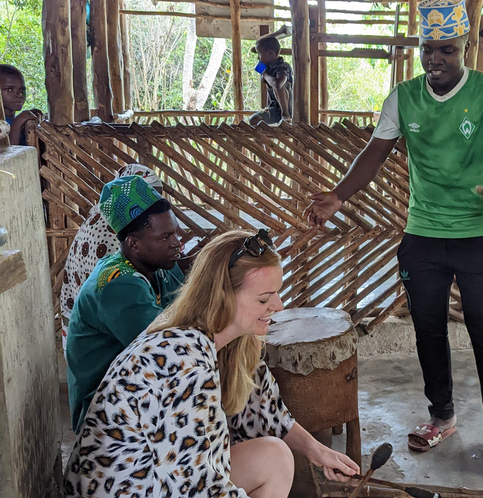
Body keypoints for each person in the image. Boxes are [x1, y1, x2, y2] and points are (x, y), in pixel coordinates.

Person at [306, 0, 483, 478]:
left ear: (464, 46)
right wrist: (338, 196)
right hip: (423, 234)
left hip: (479, 234)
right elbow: (375, 152)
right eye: (428, 48)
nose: (435, 58)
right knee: (428, 330)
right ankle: (442, 417)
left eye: (446, 49)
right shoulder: (403, 96)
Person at [62, 229, 360, 498]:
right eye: (264, 298)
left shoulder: (231, 342)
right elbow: (196, 489)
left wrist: (317, 452)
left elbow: (264, 412)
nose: (278, 305)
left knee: (275, 457)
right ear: (223, 297)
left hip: (159, 480)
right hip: (126, 488)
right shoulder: (183, 363)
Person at [66, 175, 185, 433]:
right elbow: (171, 349)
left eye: (175, 232)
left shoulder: (161, 267)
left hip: (137, 391)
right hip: (101, 413)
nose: (177, 243)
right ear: (133, 243)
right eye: (165, 237)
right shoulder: (116, 285)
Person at [60, 164, 163, 356]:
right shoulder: (115, 239)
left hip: (83, 328)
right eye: (151, 199)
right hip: (95, 342)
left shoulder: (104, 217)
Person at [249, 36, 293, 125]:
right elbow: (254, 52)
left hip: (290, 108)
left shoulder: (283, 66)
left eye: (260, 54)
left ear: (270, 53)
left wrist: (265, 75)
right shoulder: (267, 68)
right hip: (274, 110)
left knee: (277, 84)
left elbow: (278, 84)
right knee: (254, 120)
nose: (258, 57)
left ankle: (286, 115)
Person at [1, 64, 43, 145]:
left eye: (22, 90)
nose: (19, 95)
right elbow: (9, 155)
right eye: (9, 89)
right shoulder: (3, 125)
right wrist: (17, 124)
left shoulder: (14, 120)